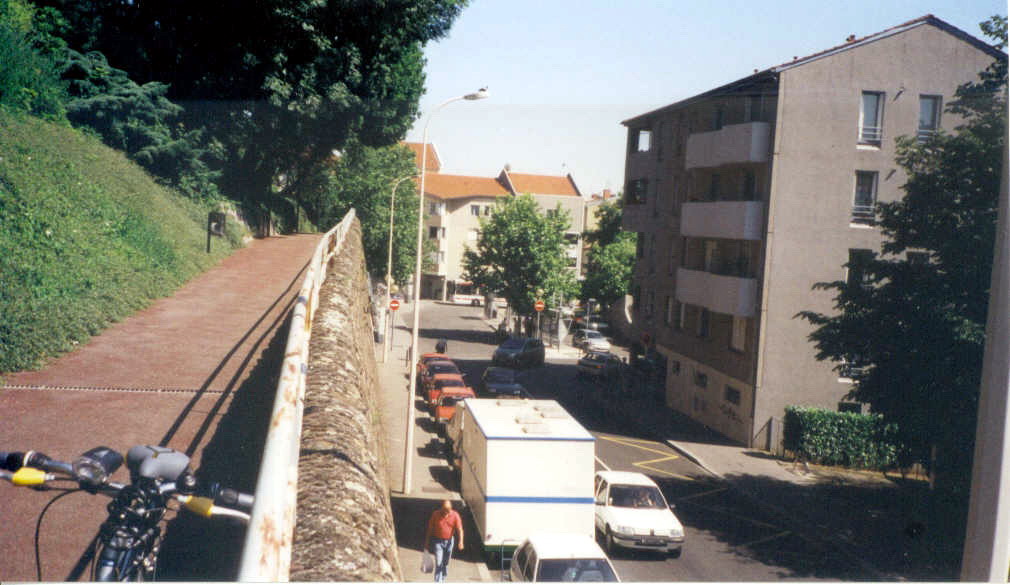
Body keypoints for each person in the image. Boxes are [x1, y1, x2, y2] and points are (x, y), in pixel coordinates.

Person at [424, 499, 464, 582]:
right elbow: (430, 529)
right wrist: (426, 543)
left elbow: (460, 529)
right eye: (445, 510)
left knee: (446, 562)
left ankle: (444, 573)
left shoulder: (455, 515)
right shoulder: (436, 514)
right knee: (438, 563)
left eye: (448, 510)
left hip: (449, 542)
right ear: (441, 508)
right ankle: (438, 581)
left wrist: (461, 542)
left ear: (451, 509)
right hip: (438, 542)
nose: (446, 512)